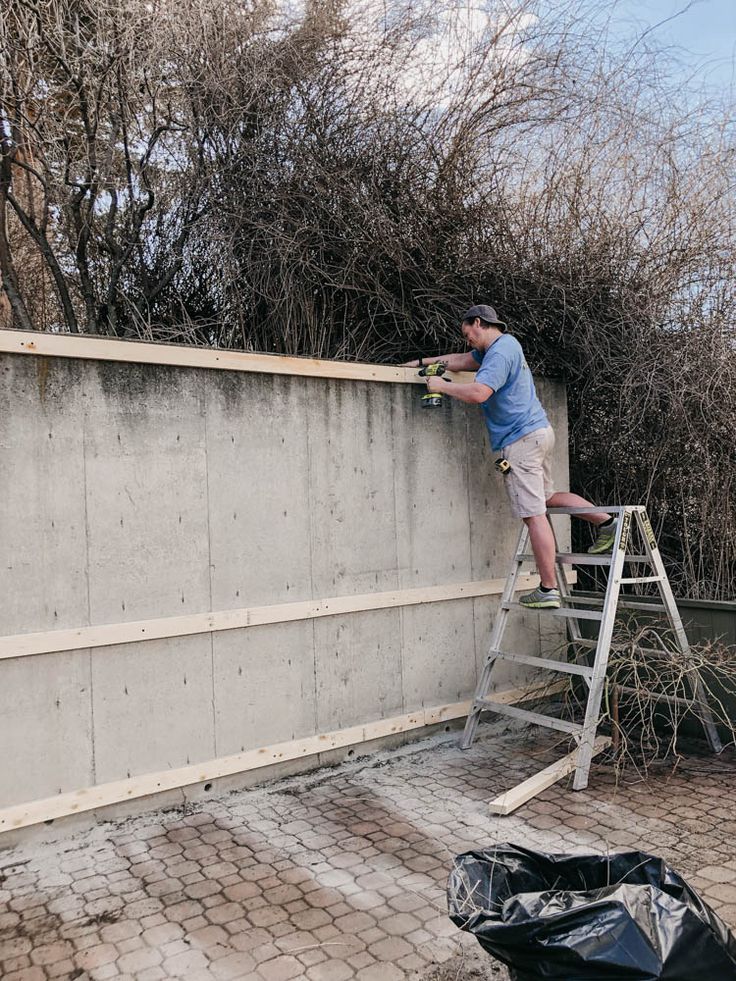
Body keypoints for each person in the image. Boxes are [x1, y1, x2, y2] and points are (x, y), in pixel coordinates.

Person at [402, 304, 616, 609]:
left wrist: (442, 386)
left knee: (533, 514)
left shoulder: (500, 354)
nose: (467, 341)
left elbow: (479, 393)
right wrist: (421, 363)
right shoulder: (499, 348)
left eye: (467, 333)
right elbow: (461, 361)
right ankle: (607, 523)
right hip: (537, 432)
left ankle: (548, 589)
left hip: (521, 441)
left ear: (479, 323)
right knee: (546, 497)